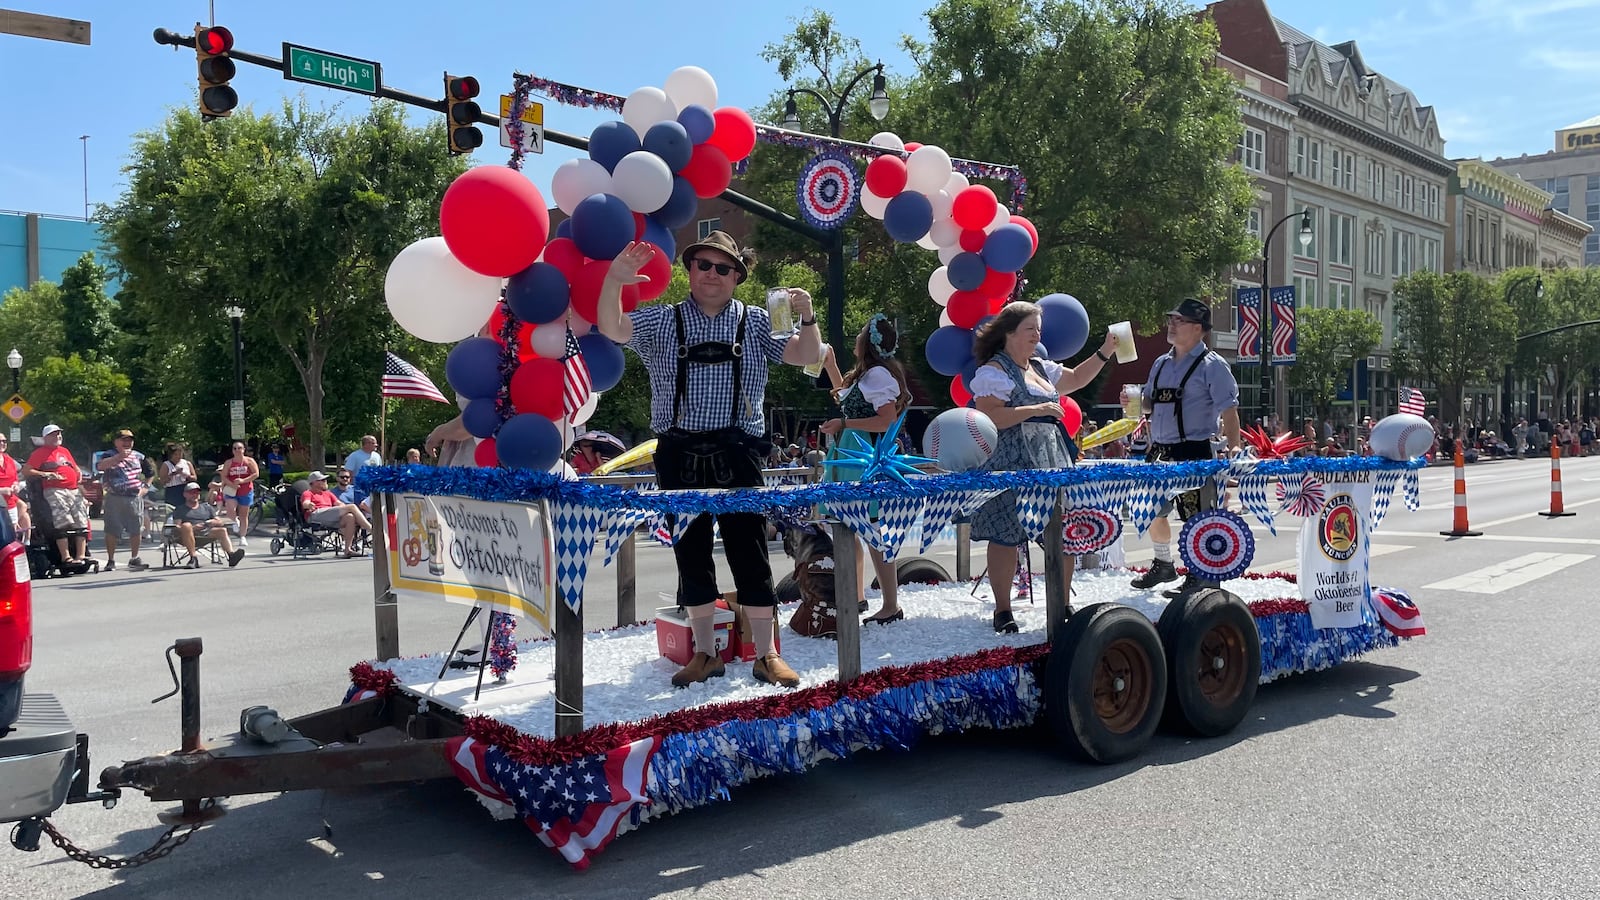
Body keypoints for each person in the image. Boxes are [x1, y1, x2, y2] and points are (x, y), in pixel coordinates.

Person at [595, 232, 820, 689]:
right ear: (690, 270)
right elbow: (613, 329)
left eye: (723, 268)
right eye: (702, 265)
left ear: (738, 276)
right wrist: (614, 280)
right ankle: (704, 654)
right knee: (691, 554)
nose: (711, 275)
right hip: (678, 452)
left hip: (739, 452)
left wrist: (808, 316)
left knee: (750, 553)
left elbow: (809, 356)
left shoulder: (760, 322)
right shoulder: (663, 320)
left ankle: (766, 654)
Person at [968, 302, 1120, 633]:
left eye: (1038, 329)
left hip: (1052, 458)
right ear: (1009, 333)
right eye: (1030, 329)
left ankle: (1062, 601)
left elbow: (1078, 378)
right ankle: (1003, 609)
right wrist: (1034, 408)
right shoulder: (993, 372)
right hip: (1012, 460)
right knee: (1006, 533)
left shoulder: (1041, 367)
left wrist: (1106, 350)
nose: (1036, 335)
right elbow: (990, 415)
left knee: (1064, 530)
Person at [1130, 298, 1241, 601]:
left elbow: (1229, 410)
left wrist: (1234, 446)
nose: (1171, 324)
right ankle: (1164, 564)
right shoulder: (1161, 363)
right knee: (1151, 508)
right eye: (1171, 319)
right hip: (1160, 449)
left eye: (1178, 320)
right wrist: (1135, 405)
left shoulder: (1213, 366)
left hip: (1194, 448)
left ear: (1197, 329)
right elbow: (1149, 403)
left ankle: (1198, 572)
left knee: (1195, 516)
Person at [818, 314, 914, 624]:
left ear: (867, 343)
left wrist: (845, 424)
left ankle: (890, 604)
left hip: (865, 456)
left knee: (873, 529)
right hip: (849, 451)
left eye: (860, 334)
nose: (856, 338)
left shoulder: (878, 377)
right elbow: (847, 404)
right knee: (849, 525)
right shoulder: (867, 376)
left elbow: (886, 420)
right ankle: (857, 596)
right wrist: (830, 364)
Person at [24, 424, 91, 566]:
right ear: (45, 438)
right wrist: (46, 474)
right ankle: (65, 557)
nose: (58, 437)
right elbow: (27, 471)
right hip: (55, 490)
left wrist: (78, 473)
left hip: (73, 490)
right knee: (63, 522)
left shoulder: (64, 451)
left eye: (59, 434)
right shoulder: (40, 453)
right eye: (54, 435)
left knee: (81, 522)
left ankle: (81, 556)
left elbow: (74, 466)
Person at [94, 429, 152, 571]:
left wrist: (145, 488)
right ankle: (111, 560)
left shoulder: (139, 456)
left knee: (136, 528)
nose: (127, 443)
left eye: (130, 440)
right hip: (114, 496)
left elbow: (150, 473)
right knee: (112, 529)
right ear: (116, 442)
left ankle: (134, 558)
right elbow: (100, 466)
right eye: (124, 440)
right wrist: (118, 457)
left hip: (133, 496)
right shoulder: (109, 454)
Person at [171, 481, 245, 568]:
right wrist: (192, 528)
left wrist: (213, 522)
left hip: (205, 533)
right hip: (186, 535)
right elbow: (177, 527)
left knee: (222, 530)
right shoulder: (180, 509)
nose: (194, 495)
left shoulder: (206, 507)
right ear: (185, 494)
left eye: (196, 492)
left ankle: (231, 556)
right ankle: (193, 558)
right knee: (186, 525)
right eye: (191, 492)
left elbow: (220, 522)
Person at [301, 470, 371, 558]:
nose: (325, 481)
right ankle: (371, 529)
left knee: (350, 517)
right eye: (322, 480)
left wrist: (345, 508)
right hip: (316, 514)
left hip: (329, 516)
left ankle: (347, 549)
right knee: (352, 507)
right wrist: (309, 505)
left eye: (325, 480)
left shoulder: (328, 493)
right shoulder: (308, 493)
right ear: (314, 482)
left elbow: (340, 504)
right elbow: (305, 503)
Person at [220, 441, 260, 546]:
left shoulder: (249, 461)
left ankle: (242, 536)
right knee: (230, 508)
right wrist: (231, 484)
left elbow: (256, 474)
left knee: (243, 515)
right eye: (235, 448)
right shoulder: (229, 462)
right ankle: (234, 521)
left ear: (243, 449)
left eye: (239, 448)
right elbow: (223, 476)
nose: (237, 450)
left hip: (246, 490)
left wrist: (243, 481)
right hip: (231, 490)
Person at [161, 444, 196, 509]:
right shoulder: (166, 464)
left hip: (185, 489)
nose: (178, 456)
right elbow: (163, 481)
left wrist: (185, 475)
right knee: (172, 511)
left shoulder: (187, 463)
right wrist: (173, 474)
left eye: (180, 454)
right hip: (172, 491)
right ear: (171, 455)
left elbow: (194, 478)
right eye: (176, 454)